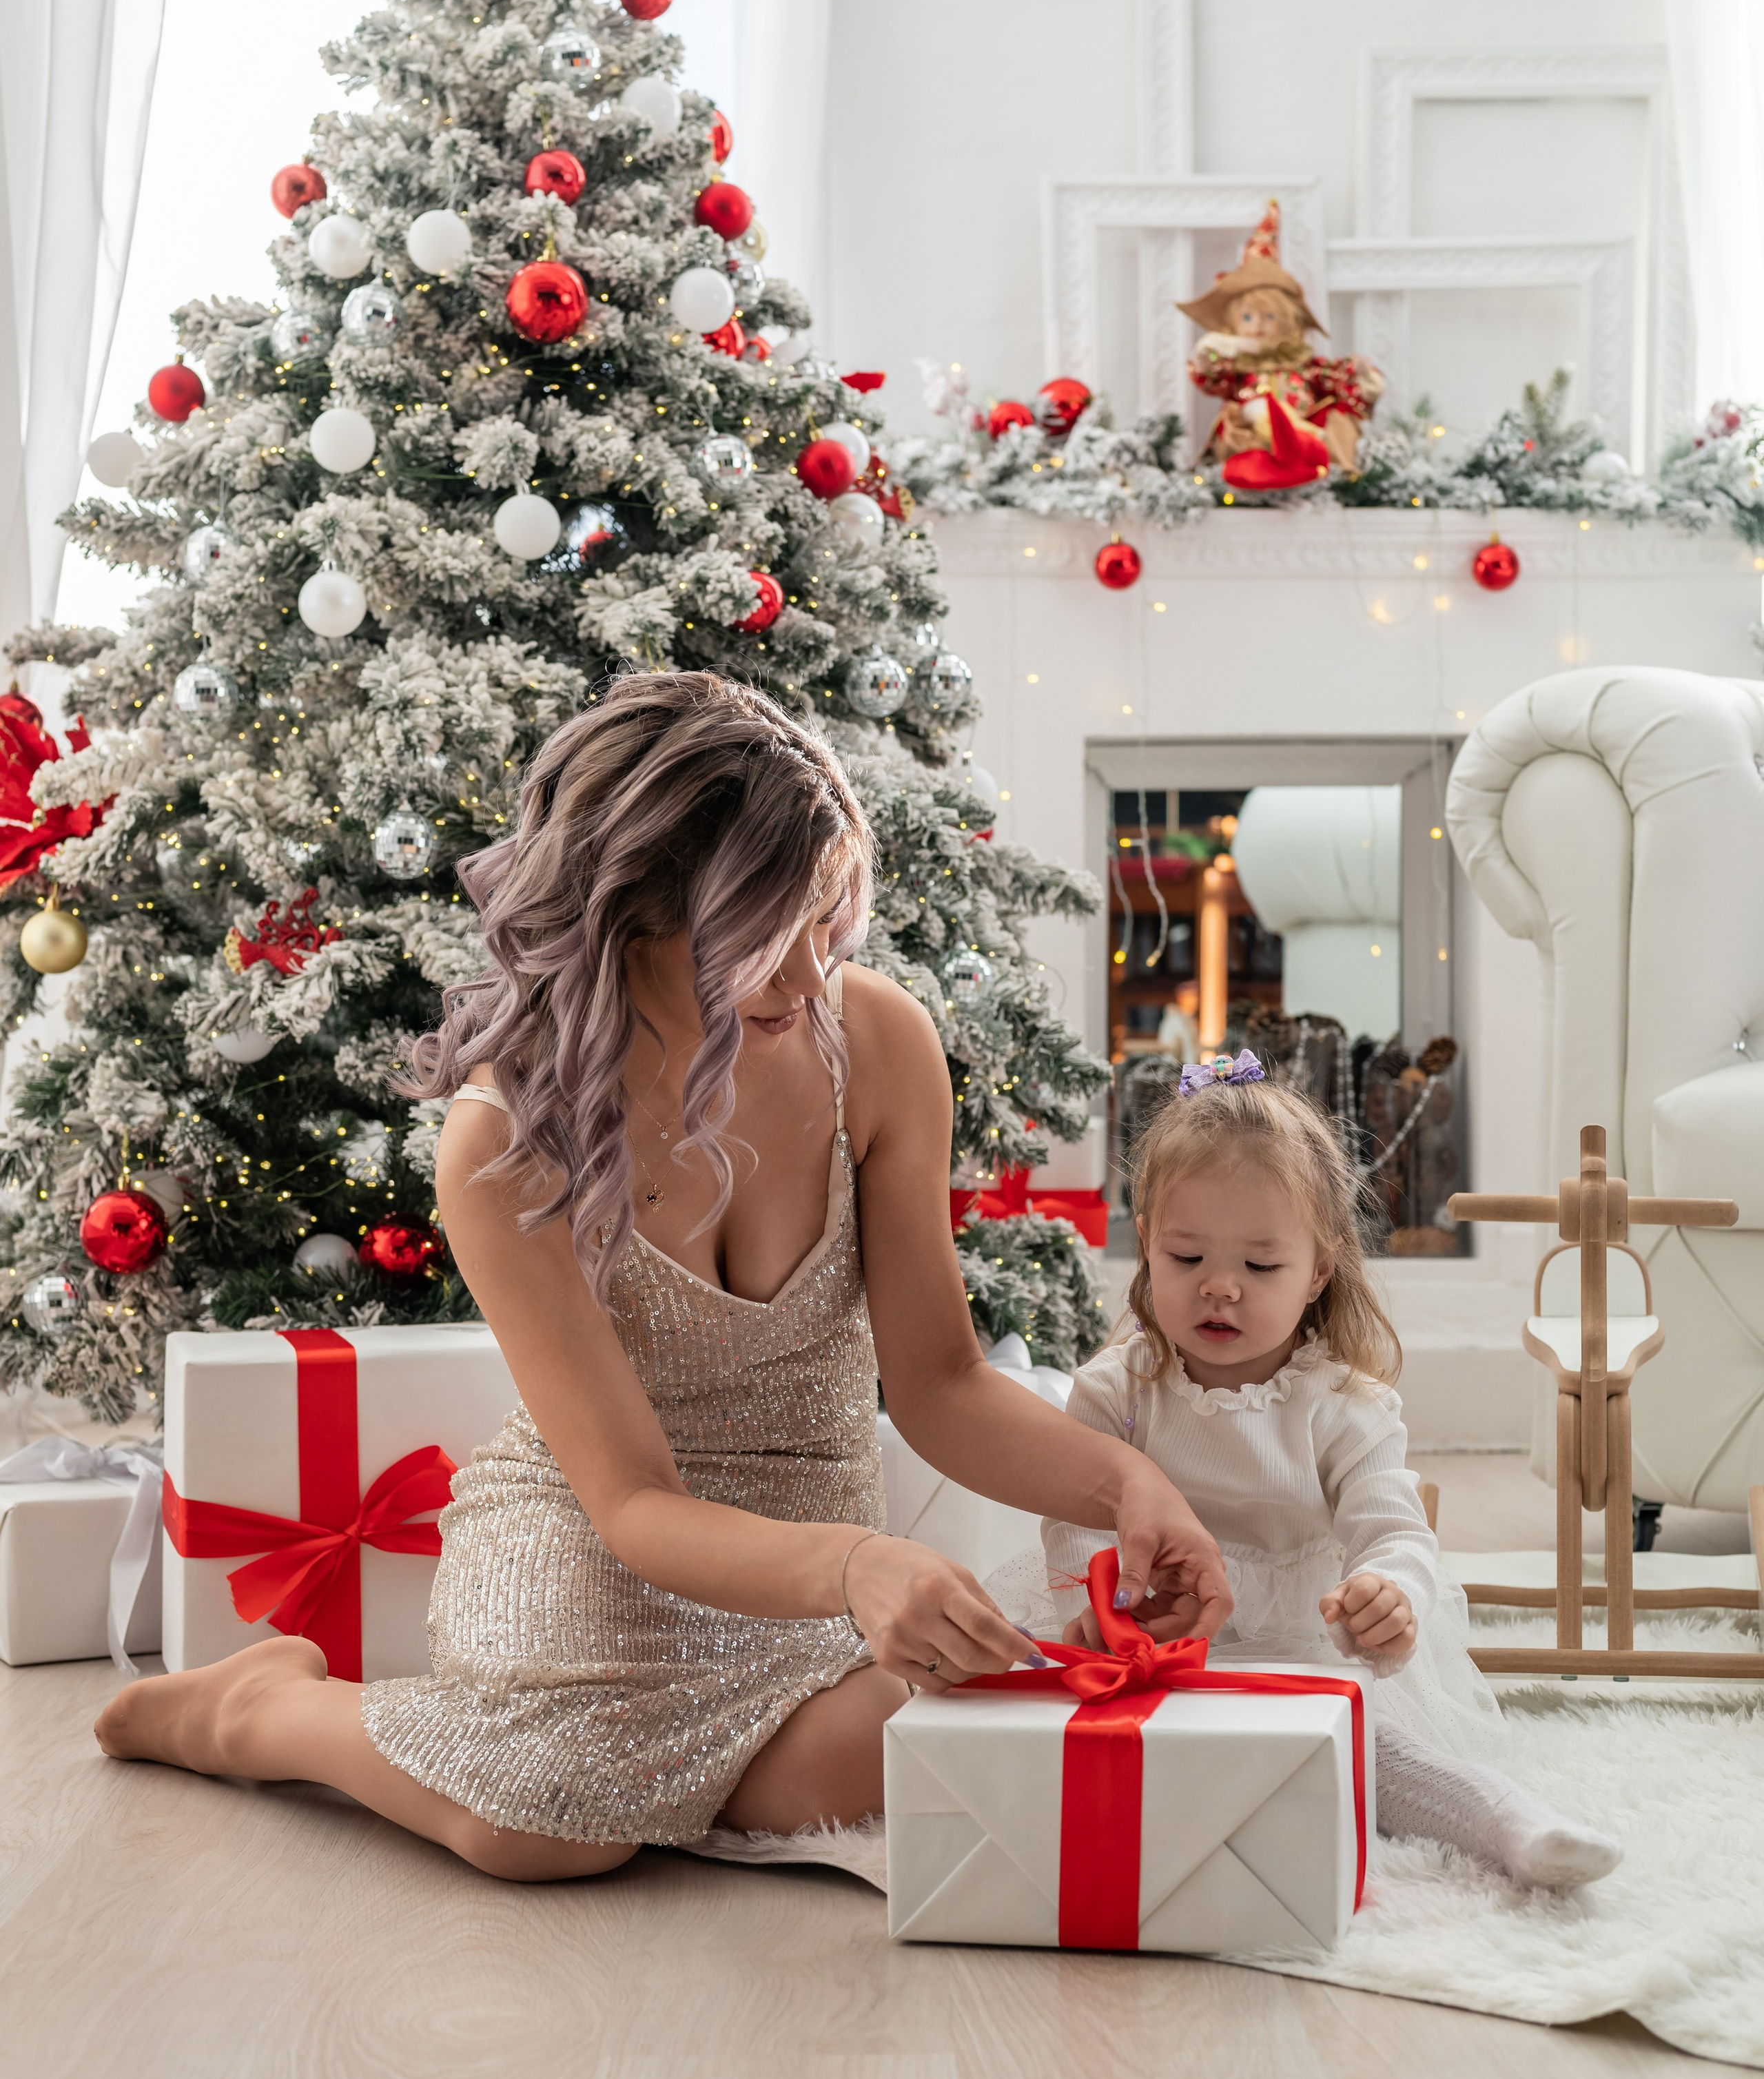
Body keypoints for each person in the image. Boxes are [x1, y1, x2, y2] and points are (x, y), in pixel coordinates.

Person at [96, 673, 1232, 1878]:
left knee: (936, 1734)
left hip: (815, 1567)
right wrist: (858, 1570)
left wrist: (1125, 1485)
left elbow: (942, 1382)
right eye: (761, 937)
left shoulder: (881, 1045)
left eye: (825, 919)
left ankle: (682, 1781)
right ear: (629, 921)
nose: (807, 975)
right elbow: (633, 1504)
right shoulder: (501, 1143)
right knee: (537, 1831)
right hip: (600, 1540)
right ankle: (261, 1710)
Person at [991, 1051, 1621, 1890]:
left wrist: (1389, 1594)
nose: (1220, 1289)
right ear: (1145, 1246)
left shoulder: (1340, 1402)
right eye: (1185, 1259)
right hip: (1153, 1640)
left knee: (1377, 1746)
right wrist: (1095, 1608)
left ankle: (1505, 1820)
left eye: (1259, 1267)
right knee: (1044, 1723)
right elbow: (1072, 1513)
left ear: (1318, 1268)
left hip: (1299, 1641)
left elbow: (1393, 1527)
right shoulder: (1117, 1389)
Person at [1179, 199, 1383, 482]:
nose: (1259, 326)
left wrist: (1359, 372)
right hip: (1251, 440)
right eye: (1248, 318)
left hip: (1305, 438)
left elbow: (1336, 377)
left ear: (1287, 322)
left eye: (1269, 317)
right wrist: (1232, 347)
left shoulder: (1302, 366)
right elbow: (1209, 372)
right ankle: (1279, 454)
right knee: (1248, 412)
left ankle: (1308, 451)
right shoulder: (1237, 369)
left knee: (1337, 417)